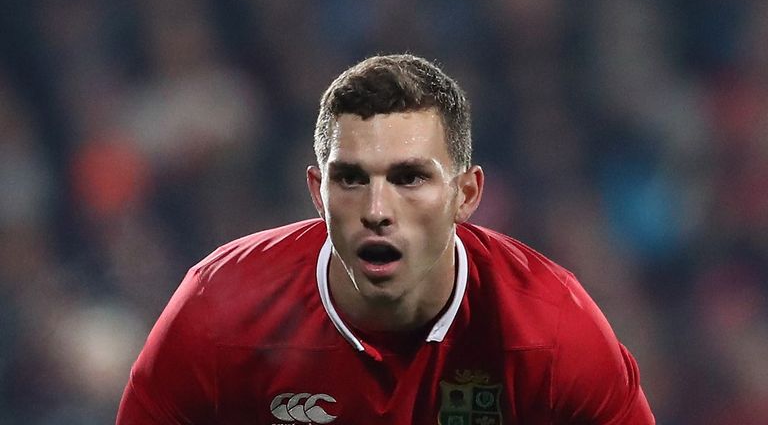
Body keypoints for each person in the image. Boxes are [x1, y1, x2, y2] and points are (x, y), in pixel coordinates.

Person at [116, 54, 655, 424]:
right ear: (317, 193)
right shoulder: (218, 312)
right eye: (351, 178)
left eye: (409, 178)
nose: (377, 211)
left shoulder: (552, 332)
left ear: (466, 194)